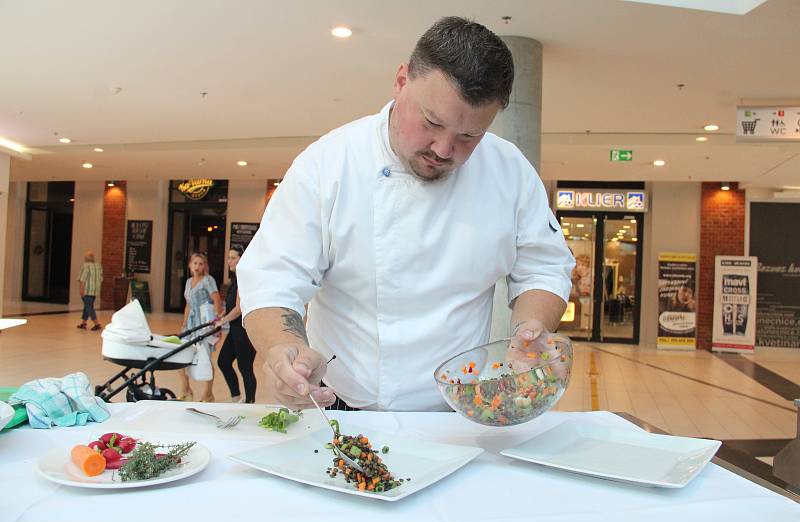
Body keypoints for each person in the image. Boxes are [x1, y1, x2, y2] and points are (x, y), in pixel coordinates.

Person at [237, 17, 575, 412]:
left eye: (470, 136)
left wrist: (529, 329)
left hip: (459, 409)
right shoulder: (329, 163)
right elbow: (274, 277)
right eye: (432, 122)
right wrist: (286, 350)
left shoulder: (509, 171)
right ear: (401, 81)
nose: (445, 149)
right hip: (340, 402)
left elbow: (544, 267)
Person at [214, 244, 258, 403]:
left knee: (245, 368)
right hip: (234, 331)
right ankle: (236, 397)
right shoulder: (235, 279)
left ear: (242, 258)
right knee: (223, 361)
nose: (229, 261)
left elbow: (240, 308)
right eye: (228, 258)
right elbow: (232, 306)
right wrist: (222, 315)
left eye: (233, 258)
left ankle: (250, 402)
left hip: (245, 332)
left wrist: (223, 321)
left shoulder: (244, 279)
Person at [178, 252, 222, 402]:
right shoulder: (188, 282)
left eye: (201, 264)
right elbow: (188, 305)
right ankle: (186, 389)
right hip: (190, 325)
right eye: (195, 263)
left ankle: (208, 394)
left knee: (205, 358)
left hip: (204, 323)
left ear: (205, 266)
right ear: (190, 265)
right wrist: (183, 325)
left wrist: (217, 322)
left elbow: (216, 299)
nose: (197, 266)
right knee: (181, 355)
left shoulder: (208, 280)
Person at [77, 251, 103, 331]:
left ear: (86, 258)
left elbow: (82, 279)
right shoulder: (98, 266)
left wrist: (81, 290)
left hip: (87, 290)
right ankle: (83, 323)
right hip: (95, 290)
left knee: (89, 307)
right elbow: (101, 278)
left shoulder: (86, 266)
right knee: (87, 306)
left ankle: (97, 324)